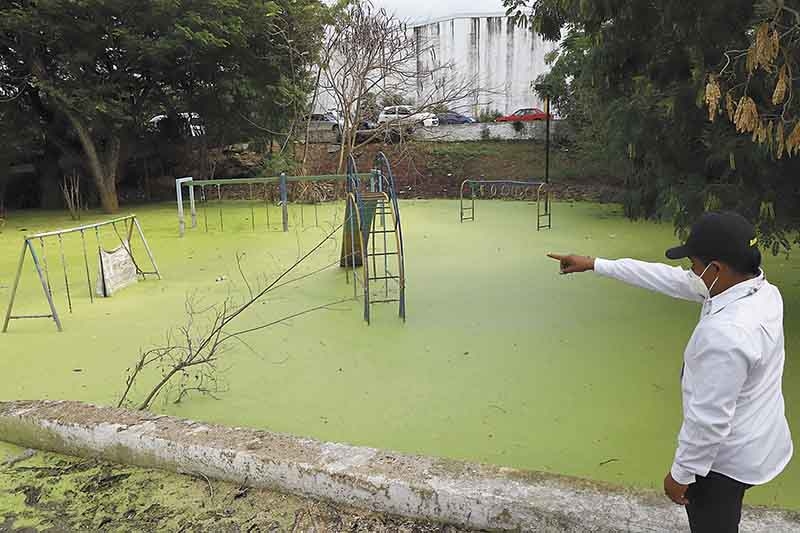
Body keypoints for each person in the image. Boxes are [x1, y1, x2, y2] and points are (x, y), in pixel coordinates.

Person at [548, 211, 793, 533]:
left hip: (722, 464)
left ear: (716, 268)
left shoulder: (727, 334)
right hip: (761, 441)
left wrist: (681, 475)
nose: (690, 272)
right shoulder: (761, 291)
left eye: (694, 264)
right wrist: (596, 263)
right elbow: (670, 279)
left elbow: (709, 420)